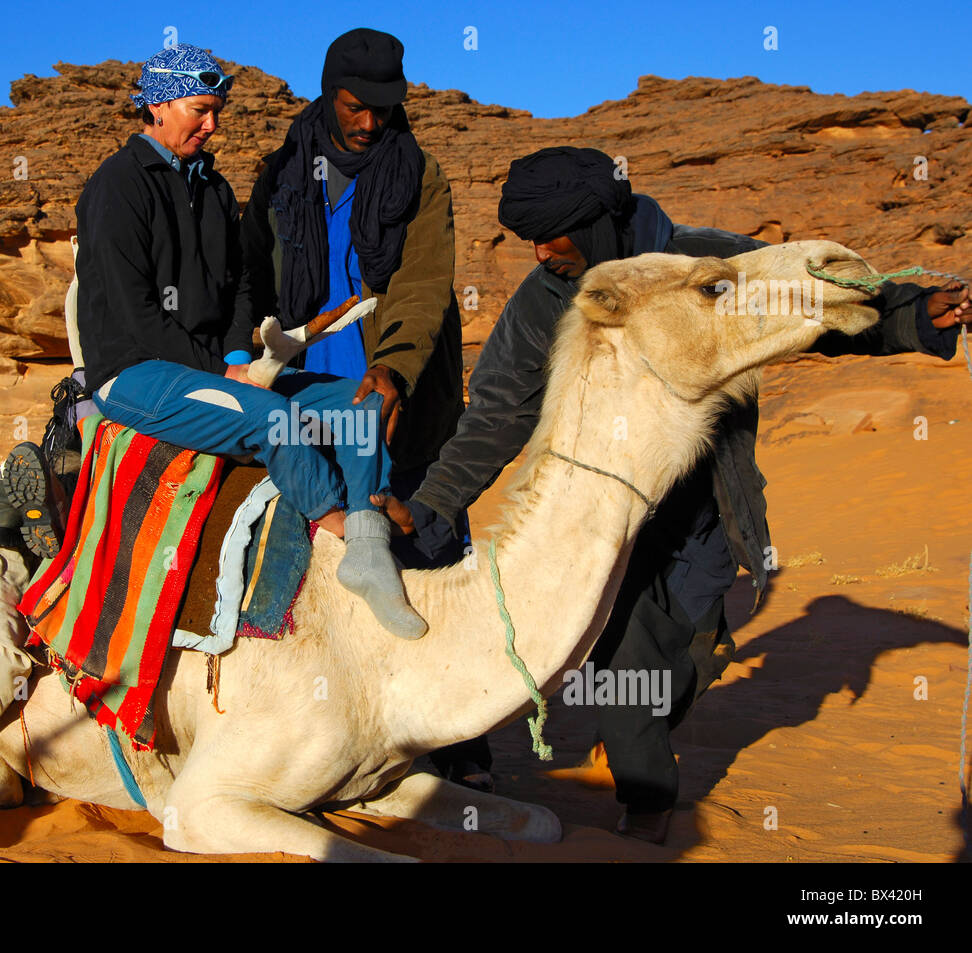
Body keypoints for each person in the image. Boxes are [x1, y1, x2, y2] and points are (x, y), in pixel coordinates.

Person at [378, 146, 972, 840]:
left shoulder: (703, 266)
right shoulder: (546, 300)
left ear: (599, 220)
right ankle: (646, 809)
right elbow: (498, 412)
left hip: (707, 513)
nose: (540, 252)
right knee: (630, 675)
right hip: (607, 524)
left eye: (552, 233)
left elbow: (805, 303)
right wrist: (433, 503)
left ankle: (643, 731)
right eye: (529, 238)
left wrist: (916, 316)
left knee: (694, 653)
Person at [69, 42, 426, 641]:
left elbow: (238, 289)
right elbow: (135, 316)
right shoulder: (117, 188)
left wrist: (239, 356)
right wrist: (219, 370)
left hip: (214, 366)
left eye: (217, 112)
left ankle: (366, 546)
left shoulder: (211, 189)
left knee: (362, 401)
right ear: (157, 107)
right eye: (199, 110)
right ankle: (334, 522)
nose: (212, 126)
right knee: (278, 420)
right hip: (137, 373)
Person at [237, 27, 489, 789]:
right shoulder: (283, 172)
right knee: (320, 551)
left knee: (422, 551)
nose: (369, 123)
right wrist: (252, 351)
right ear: (328, 93)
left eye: (384, 109)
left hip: (393, 394)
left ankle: (458, 741)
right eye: (354, 107)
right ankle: (338, 728)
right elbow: (252, 274)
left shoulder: (420, 175)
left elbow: (420, 284)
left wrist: (394, 368)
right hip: (308, 388)